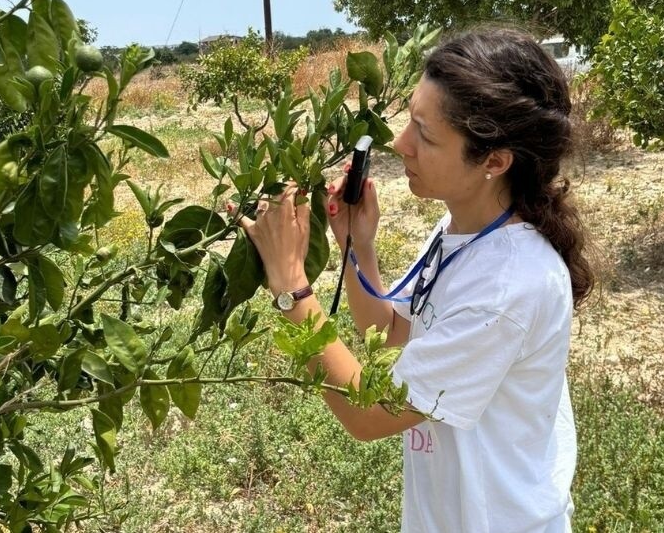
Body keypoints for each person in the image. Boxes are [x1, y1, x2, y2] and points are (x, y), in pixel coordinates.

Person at [235, 27, 594, 532]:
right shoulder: (463, 229)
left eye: (425, 134)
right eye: (409, 120)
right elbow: (390, 334)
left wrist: (291, 286)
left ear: (494, 161)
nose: (401, 144)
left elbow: (367, 414)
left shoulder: (508, 286)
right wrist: (357, 246)